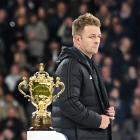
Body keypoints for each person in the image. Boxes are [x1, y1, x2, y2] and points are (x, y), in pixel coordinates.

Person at [52, 13, 115, 140]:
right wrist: (98, 120)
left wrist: (106, 111)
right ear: (77, 39)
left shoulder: (89, 64)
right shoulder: (70, 65)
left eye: (98, 36)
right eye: (92, 36)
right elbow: (68, 103)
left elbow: (88, 101)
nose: (97, 40)